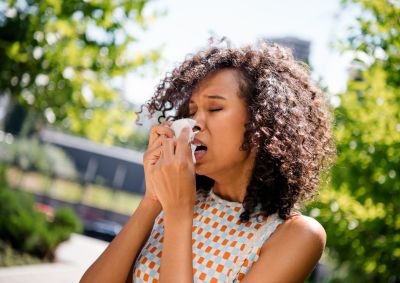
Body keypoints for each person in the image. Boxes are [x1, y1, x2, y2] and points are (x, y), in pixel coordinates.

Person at [81, 39, 336, 283]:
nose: (194, 124)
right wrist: (152, 200)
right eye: (191, 112)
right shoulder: (174, 201)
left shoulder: (296, 235)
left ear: (261, 125)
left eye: (214, 109)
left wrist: (180, 215)